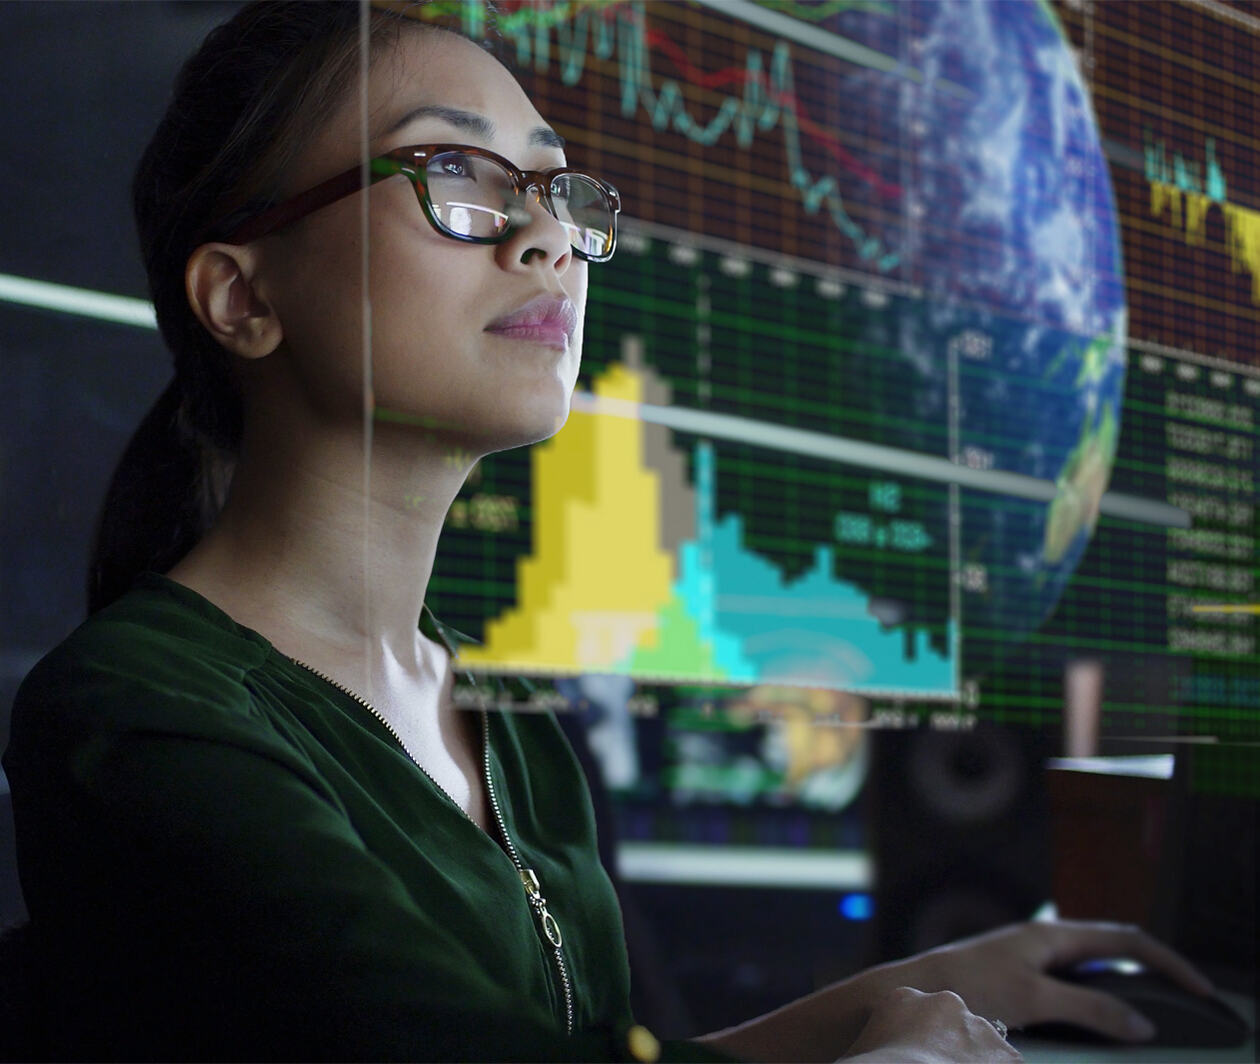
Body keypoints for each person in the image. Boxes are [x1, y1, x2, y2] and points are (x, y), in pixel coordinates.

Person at [2, 2, 1215, 1061]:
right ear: (243, 296)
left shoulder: (502, 716)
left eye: (557, 190)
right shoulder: (137, 712)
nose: (547, 242)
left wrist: (889, 1002)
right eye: (458, 178)